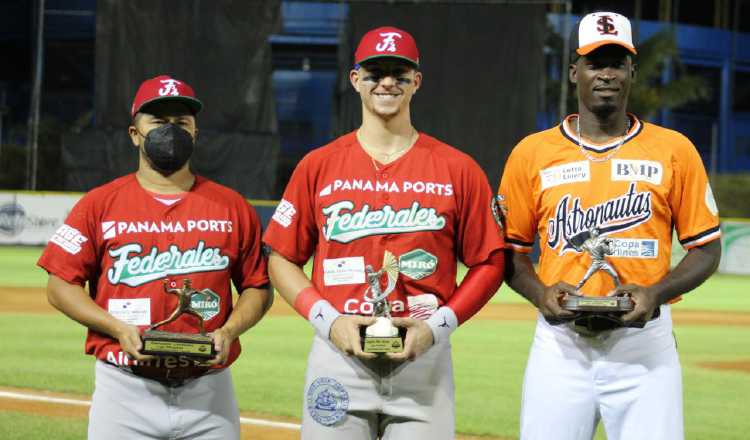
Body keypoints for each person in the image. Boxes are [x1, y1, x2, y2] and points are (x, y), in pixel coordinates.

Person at [263, 26, 505, 439]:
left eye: (400, 71)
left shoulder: (457, 168)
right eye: (376, 72)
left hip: (423, 358)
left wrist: (439, 326)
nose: (388, 82)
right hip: (338, 356)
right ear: (356, 80)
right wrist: (327, 319)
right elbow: (281, 256)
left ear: (417, 82)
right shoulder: (318, 165)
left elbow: (490, 260)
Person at [498, 12, 722, 440]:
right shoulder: (532, 153)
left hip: (645, 350)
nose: (606, 74)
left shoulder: (674, 150)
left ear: (632, 72)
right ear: (573, 72)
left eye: (617, 62)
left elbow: (707, 248)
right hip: (560, 350)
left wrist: (655, 292)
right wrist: (541, 293)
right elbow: (511, 252)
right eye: (595, 62)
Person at [37, 74, 272, 440]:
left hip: (208, 391)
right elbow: (59, 285)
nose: (171, 131)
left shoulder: (232, 206)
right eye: (159, 122)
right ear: (134, 133)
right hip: (124, 390)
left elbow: (258, 286)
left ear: (195, 133)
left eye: (181, 123)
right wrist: (116, 328)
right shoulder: (99, 204)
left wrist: (229, 331)